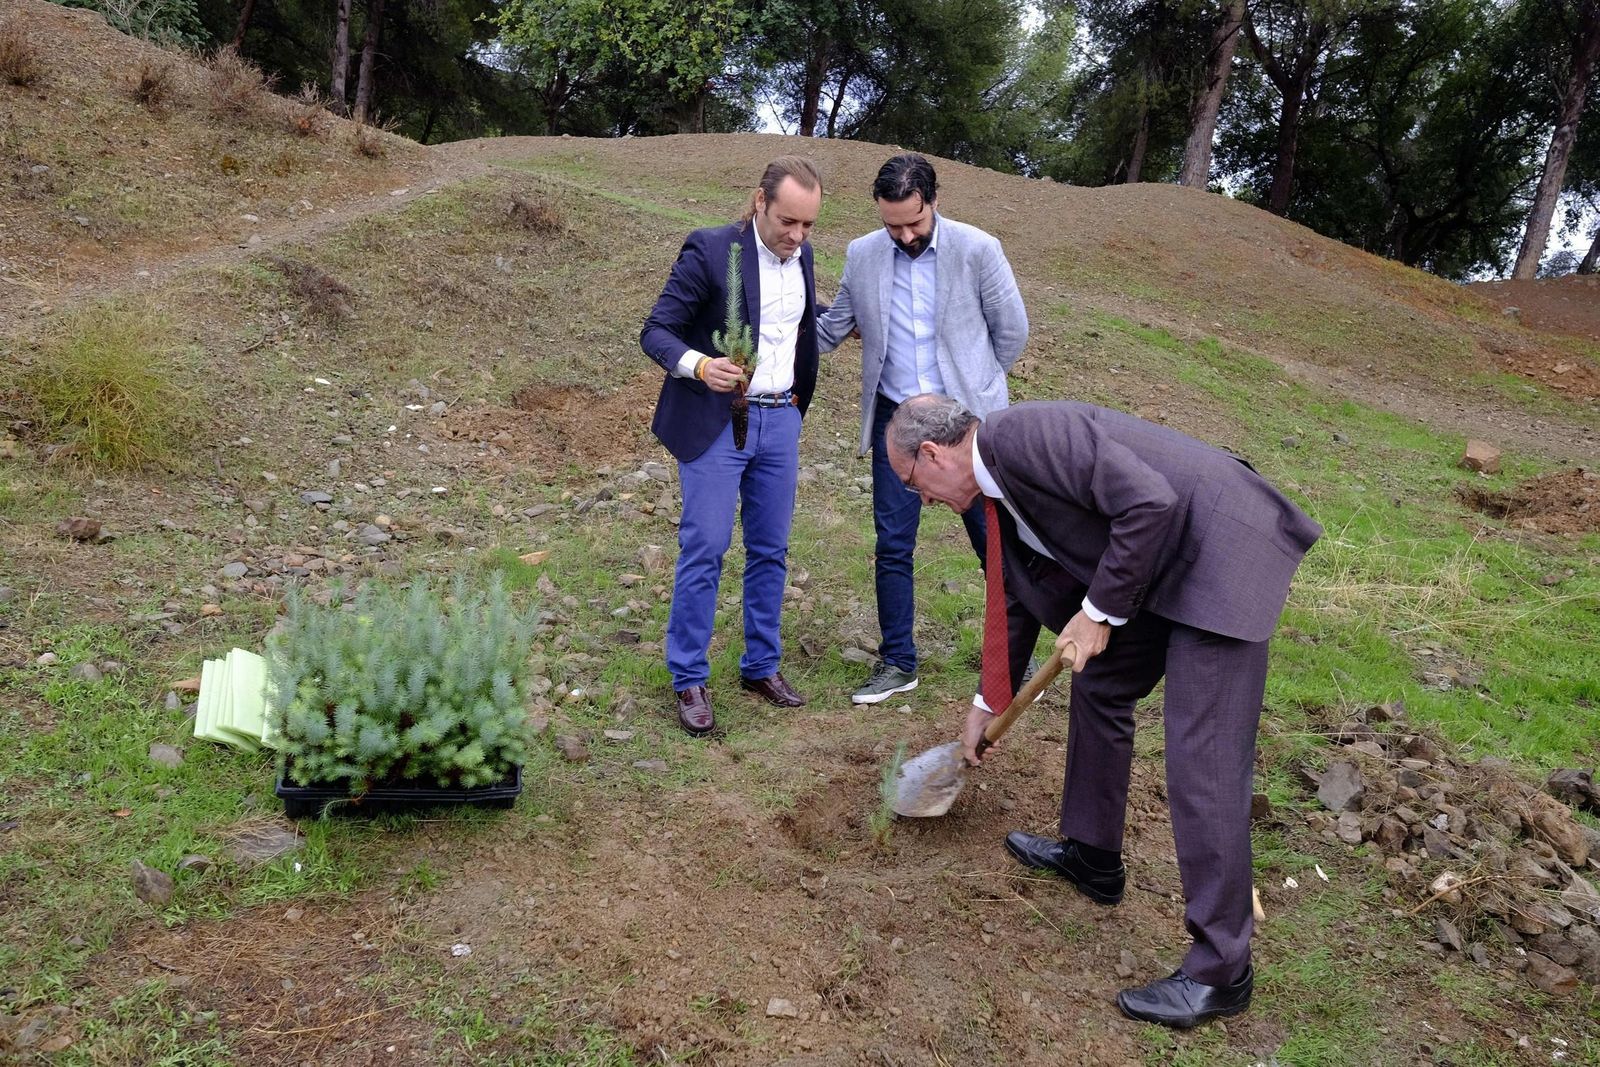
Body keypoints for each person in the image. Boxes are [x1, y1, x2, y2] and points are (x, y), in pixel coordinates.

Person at [883, 394, 1323, 1030]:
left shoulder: (1026, 437)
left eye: (912, 483)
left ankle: (1221, 971)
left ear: (931, 454)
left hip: (1218, 559)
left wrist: (1097, 614)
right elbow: (1014, 591)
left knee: (1205, 764)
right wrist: (989, 700)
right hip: (1159, 568)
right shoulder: (991, 490)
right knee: (1100, 683)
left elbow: (1150, 502)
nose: (919, 500)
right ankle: (1093, 854)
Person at [816, 153, 1028, 706]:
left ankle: (1015, 660)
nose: (904, 234)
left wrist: (975, 392)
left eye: (914, 221)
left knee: (995, 544)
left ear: (933, 202)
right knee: (892, 543)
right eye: (893, 225)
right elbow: (834, 327)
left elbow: (1012, 334)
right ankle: (897, 663)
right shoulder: (862, 254)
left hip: (967, 424)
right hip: (896, 422)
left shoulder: (979, 249)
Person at [640, 156, 823, 737]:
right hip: (717, 421)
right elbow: (656, 330)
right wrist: (699, 366)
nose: (796, 236)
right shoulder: (712, 249)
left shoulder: (806, 258)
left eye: (808, 226)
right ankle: (689, 676)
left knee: (771, 550)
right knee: (706, 547)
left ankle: (760, 666)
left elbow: (796, 328)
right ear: (759, 202)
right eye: (787, 221)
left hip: (780, 418)